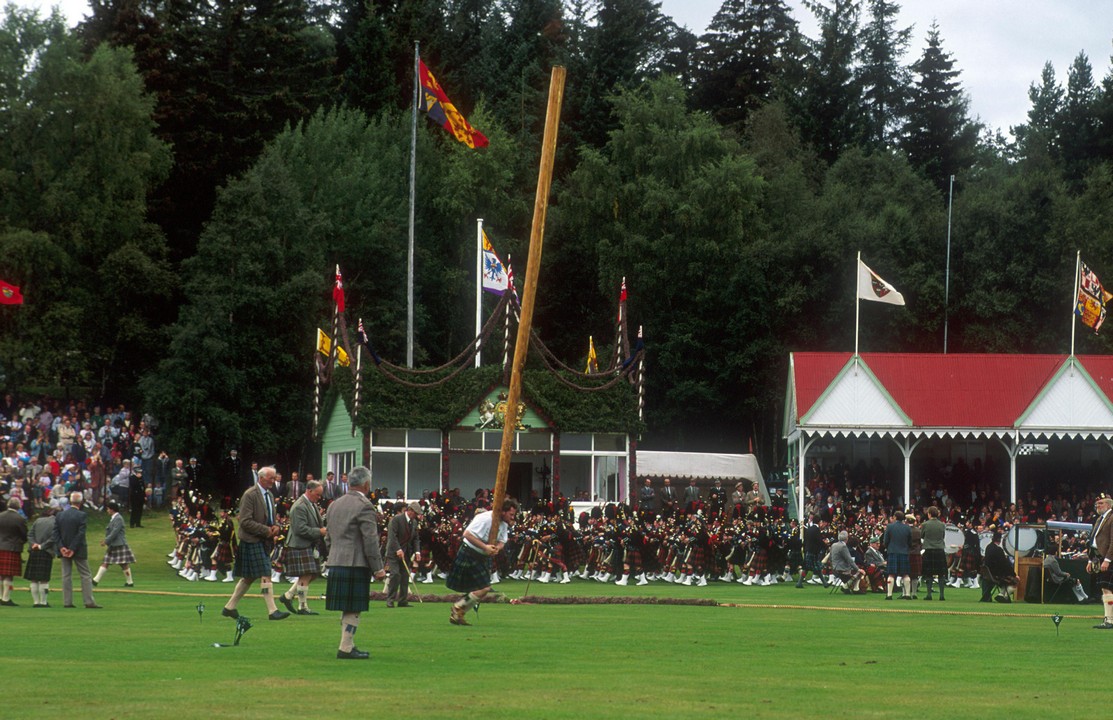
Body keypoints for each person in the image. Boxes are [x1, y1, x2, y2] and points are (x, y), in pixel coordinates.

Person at [324, 465, 385, 660]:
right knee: (353, 606)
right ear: (366, 484)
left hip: (335, 560)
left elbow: (328, 538)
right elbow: (370, 540)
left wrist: (333, 555)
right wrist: (378, 568)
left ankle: (347, 644)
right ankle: (346, 647)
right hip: (356, 563)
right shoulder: (365, 505)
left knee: (347, 606)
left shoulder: (334, 504)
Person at [221, 466, 290, 621]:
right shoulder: (250, 495)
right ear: (261, 478)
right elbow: (245, 521)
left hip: (263, 541)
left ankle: (229, 607)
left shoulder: (270, 495)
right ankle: (273, 611)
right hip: (251, 540)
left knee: (249, 577)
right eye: (270, 478)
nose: (273, 481)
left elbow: (271, 518)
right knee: (266, 573)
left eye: (274, 478)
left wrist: (276, 527)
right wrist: (266, 531)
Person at [446, 497, 520, 626]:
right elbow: (467, 534)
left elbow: (502, 540)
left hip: (482, 557)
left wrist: (497, 548)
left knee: (483, 588)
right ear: (503, 511)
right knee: (484, 588)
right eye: (511, 514)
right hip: (469, 553)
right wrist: (485, 547)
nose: (513, 517)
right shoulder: (485, 518)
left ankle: (458, 612)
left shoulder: (502, 524)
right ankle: (458, 608)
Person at [278, 479, 327, 616]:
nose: (319, 497)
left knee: (312, 574)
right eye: (317, 494)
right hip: (299, 544)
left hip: (308, 544)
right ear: (309, 491)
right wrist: (320, 531)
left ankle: (288, 596)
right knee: (306, 575)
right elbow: (300, 529)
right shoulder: (299, 506)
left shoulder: (311, 504)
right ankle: (302, 606)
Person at [53, 492, 101, 608]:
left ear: (70, 501)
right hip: (78, 549)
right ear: (81, 502)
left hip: (63, 549)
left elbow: (55, 533)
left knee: (66, 575)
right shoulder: (82, 515)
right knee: (85, 575)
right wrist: (72, 549)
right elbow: (80, 534)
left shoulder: (60, 515)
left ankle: (67, 602)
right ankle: (88, 601)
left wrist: (62, 547)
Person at [385, 501, 421, 608]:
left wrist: (417, 551)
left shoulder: (414, 523)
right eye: (415, 513)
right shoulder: (396, 520)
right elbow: (392, 536)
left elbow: (415, 539)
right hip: (393, 553)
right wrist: (398, 549)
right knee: (395, 574)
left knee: (405, 577)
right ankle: (390, 600)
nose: (416, 516)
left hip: (406, 553)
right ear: (409, 511)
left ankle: (402, 601)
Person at [93, 500, 136, 588]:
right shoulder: (114, 518)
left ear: (112, 509)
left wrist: (106, 541)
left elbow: (114, 532)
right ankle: (129, 582)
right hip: (114, 544)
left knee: (116, 563)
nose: (107, 511)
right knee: (111, 562)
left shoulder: (118, 518)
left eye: (108, 509)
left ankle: (95, 580)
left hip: (118, 544)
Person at [1088, 492, 1113, 628]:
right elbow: (1093, 541)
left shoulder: (1111, 518)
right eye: (1097, 503)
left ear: (1108, 504)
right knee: (1106, 589)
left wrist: (1108, 559)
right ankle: (1108, 619)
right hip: (1098, 558)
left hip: (1107, 558)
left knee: (1107, 588)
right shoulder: (1099, 519)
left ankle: (1109, 621)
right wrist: (1090, 560)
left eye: (1101, 503)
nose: (1098, 505)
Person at [25, 507, 57, 607]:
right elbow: (53, 538)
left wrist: (34, 544)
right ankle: (43, 602)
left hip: (34, 551)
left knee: (34, 578)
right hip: (46, 552)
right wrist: (41, 546)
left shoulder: (38, 520)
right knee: (44, 578)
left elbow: (30, 535)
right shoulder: (56, 524)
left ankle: (35, 602)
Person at [0, 497, 28, 605]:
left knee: (1, 574)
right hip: (12, 548)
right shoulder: (20, 518)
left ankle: (1, 597)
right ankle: (6, 599)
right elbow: (24, 534)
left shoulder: (0, 516)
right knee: (8, 575)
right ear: (19, 506)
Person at [981, 531, 1019, 603]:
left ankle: (1002, 594)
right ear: (1000, 540)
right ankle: (1002, 595)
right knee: (1016, 581)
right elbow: (1005, 565)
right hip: (997, 575)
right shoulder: (999, 550)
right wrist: (1014, 575)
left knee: (1008, 579)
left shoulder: (988, 547)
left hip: (989, 574)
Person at [882, 510, 912, 600]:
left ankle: (889, 595)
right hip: (904, 552)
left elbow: (885, 541)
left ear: (895, 517)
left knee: (891, 574)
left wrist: (888, 548)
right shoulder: (907, 528)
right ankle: (907, 595)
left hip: (892, 552)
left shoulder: (890, 527)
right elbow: (910, 542)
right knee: (905, 574)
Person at [920, 506, 948, 601]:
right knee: (941, 574)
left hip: (929, 550)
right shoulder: (942, 525)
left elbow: (922, 535)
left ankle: (929, 595)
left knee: (928, 574)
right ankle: (942, 595)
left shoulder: (925, 524)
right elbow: (943, 536)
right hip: (940, 550)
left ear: (929, 514)